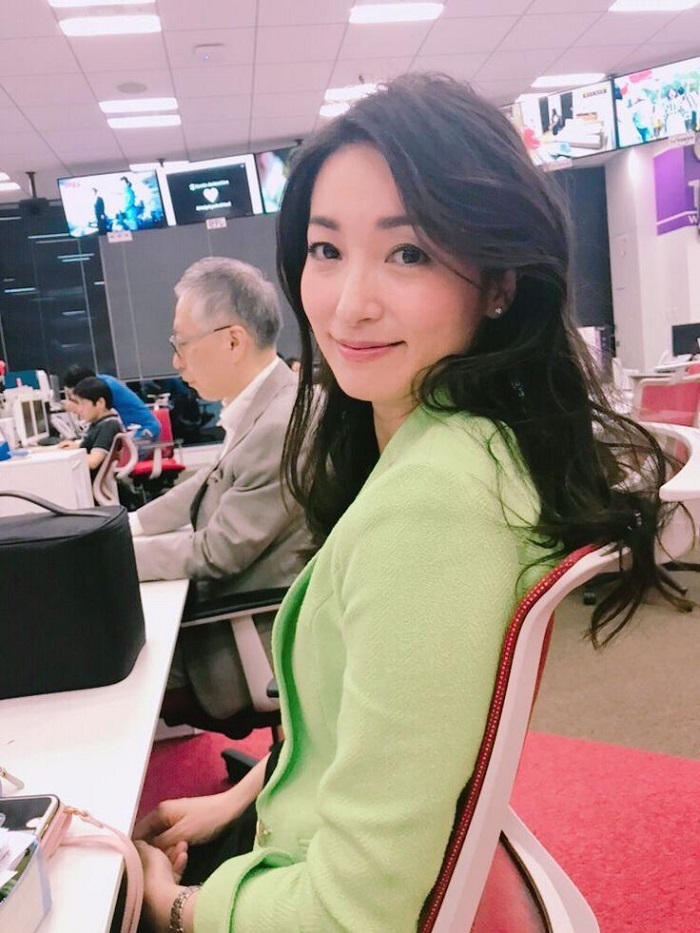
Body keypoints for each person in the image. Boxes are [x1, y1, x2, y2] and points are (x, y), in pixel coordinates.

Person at [134, 73, 683, 932]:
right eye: (326, 250)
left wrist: (169, 904)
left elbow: (354, 913)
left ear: (498, 282)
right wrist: (240, 797)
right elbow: (373, 730)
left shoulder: (432, 505)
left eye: (409, 253)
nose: (350, 304)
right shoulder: (466, 441)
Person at [129, 256, 313, 721]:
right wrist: (129, 527)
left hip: (246, 639)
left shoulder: (279, 425)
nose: (176, 361)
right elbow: (202, 486)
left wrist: (116, 559)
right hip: (234, 614)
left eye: (182, 343)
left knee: (100, 667)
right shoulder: (265, 407)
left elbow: (217, 553)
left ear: (233, 341)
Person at [63, 365, 160, 442]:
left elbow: (98, 412)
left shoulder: (104, 387)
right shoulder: (103, 380)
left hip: (143, 431)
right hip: (134, 430)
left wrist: (75, 408)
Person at [58, 376, 123, 481]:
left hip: (90, 484)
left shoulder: (108, 426)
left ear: (100, 403)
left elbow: (93, 462)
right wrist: (77, 447)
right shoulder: (101, 423)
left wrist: (74, 454)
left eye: (82, 404)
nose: (79, 409)